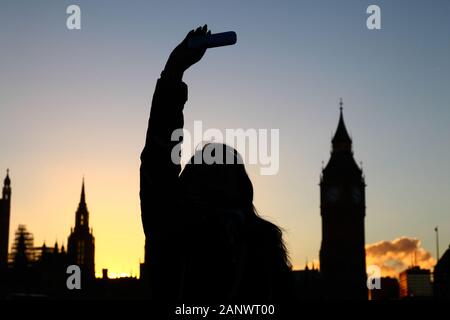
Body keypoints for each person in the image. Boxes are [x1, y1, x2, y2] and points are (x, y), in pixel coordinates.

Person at [140, 25, 293, 302]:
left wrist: (175, 69)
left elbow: (159, 156)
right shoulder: (262, 243)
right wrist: (174, 71)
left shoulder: (171, 225)